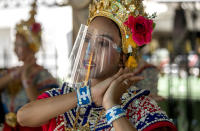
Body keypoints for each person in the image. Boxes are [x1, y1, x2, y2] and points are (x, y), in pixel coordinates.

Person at [17, 0, 177, 131]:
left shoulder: (140, 107)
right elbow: (23, 117)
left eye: (102, 43)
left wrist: (112, 106)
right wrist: (89, 94)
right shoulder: (68, 96)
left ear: (122, 57)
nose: (89, 50)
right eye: (86, 40)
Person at [0, 1, 59, 131]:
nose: (15, 48)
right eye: (15, 44)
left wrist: (26, 77)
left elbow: (40, 106)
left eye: (19, 45)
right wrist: (16, 74)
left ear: (31, 47)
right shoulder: (10, 72)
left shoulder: (43, 75)